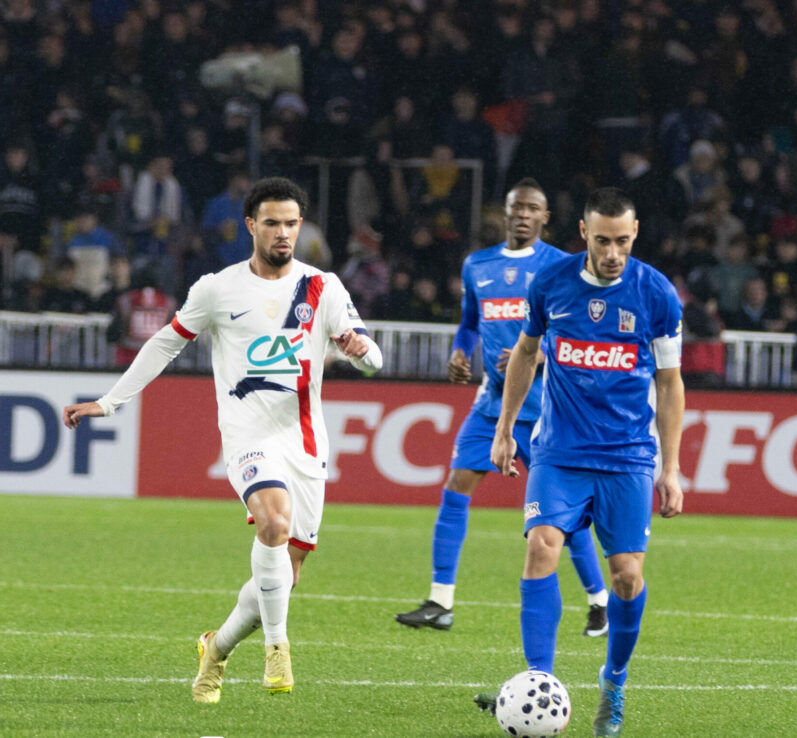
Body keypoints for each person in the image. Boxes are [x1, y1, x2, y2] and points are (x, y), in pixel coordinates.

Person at [62, 177, 383, 703]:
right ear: (251, 226)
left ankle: (216, 649)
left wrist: (357, 348)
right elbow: (164, 344)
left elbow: (375, 360)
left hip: (304, 441)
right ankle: (278, 650)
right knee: (274, 523)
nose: (283, 233)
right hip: (247, 436)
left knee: (287, 572)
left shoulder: (324, 287)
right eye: (273, 223)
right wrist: (110, 401)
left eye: (292, 223)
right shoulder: (217, 288)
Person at [484, 187, 685, 737]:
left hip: (627, 458)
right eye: (602, 241)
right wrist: (504, 429)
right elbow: (526, 352)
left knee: (626, 578)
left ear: (635, 233)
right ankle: (538, 685)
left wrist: (670, 468)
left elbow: (669, 384)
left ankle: (613, 680)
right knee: (541, 544)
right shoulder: (552, 284)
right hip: (561, 453)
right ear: (583, 233)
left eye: (622, 241)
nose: (612, 252)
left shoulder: (657, 294)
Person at [396, 179, 609, 637]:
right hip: (492, 402)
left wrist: (537, 353)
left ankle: (599, 600)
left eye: (534, 208)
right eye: (517, 208)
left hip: (551, 408)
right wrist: (460, 352)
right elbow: (471, 322)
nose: (524, 215)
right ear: (505, 213)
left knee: (561, 512)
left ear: (546, 217)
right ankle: (440, 601)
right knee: (456, 484)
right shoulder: (478, 264)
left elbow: (577, 331)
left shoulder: (563, 267)